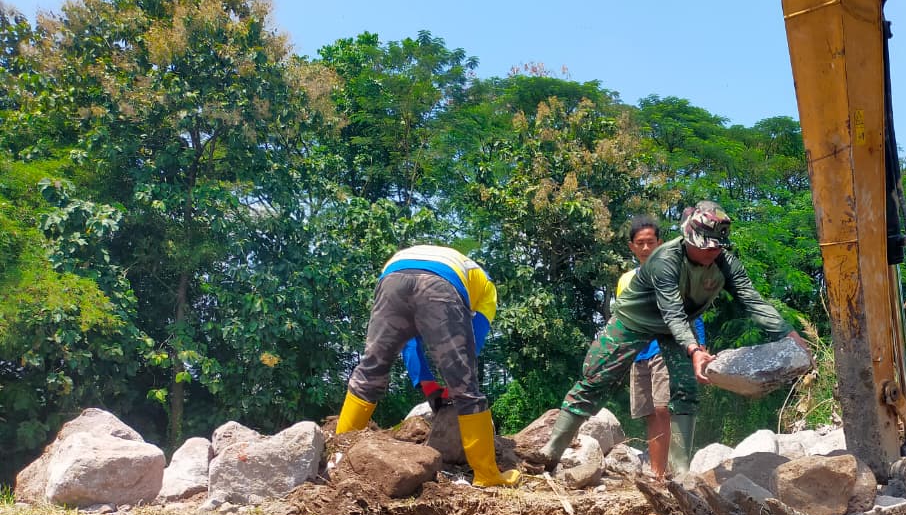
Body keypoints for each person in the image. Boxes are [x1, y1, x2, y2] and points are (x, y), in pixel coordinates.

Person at [537, 200, 806, 475]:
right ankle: (550, 453)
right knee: (595, 379)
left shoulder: (725, 263)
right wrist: (693, 348)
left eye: (717, 246)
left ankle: (680, 473)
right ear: (689, 239)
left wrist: (788, 333)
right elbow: (672, 310)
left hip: (675, 327)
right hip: (634, 320)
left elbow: (750, 299)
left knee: (684, 391)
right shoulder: (665, 259)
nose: (712, 251)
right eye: (706, 245)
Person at [335, 245, 521, 488]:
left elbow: (409, 340)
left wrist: (428, 383)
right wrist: (453, 384)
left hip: (392, 274)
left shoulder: (435, 264)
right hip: (441, 282)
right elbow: (471, 344)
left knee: (371, 370)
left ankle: (337, 459)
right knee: (466, 383)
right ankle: (487, 475)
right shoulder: (487, 290)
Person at [616, 215, 705, 480]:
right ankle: (658, 475)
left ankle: (678, 471)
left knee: (665, 408)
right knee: (651, 414)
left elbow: (693, 311)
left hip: (667, 349)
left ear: (660, 243)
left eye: (650, 242)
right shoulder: (626, 280)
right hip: (639, 352)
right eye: (640, 243)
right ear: (632, 246)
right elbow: (622, 319)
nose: (645, 248)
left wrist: (699, 346)